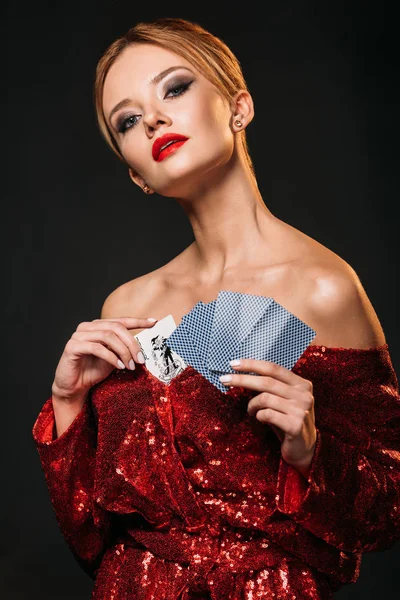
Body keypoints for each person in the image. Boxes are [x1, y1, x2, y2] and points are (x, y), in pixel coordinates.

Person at [32, 17, 400, 600]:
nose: (152, 119)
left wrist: (312, 456)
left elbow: (386, 513)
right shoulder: (128, 306)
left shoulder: (323, 288)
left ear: (239, 107)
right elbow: (89, 534)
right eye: (127, 120)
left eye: (173, 88)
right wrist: (68, 403)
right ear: (136, 175)